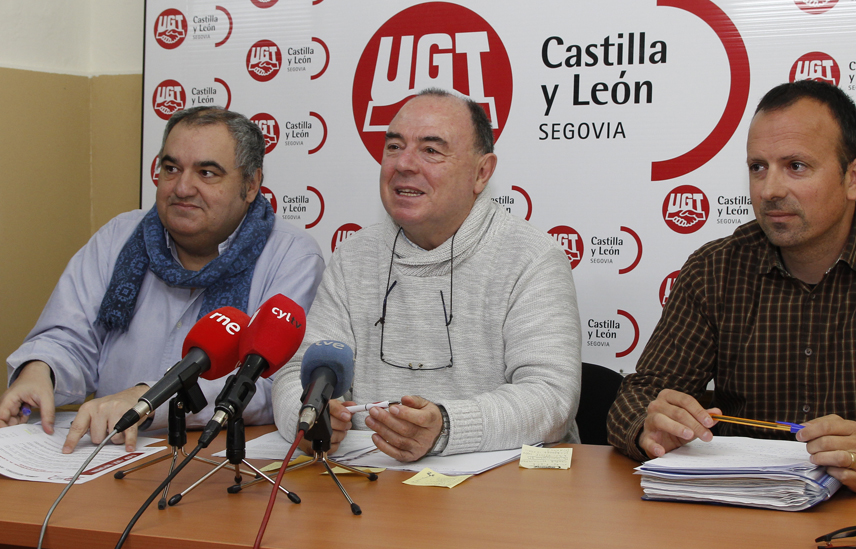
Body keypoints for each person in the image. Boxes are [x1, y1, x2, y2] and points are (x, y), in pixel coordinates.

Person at [607, 80, 856, 493]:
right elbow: (637, 398)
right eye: (757, 167)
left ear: (854, 177)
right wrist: (650, 427)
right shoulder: (714, 269)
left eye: (796, 166)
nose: (769, 190)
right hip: (740, 507)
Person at [272, 89, 581, 462]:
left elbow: (551, 397)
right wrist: (308, 416)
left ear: (482, 172)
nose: (404, 164)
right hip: (370, 478)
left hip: (501, 486)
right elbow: (298, 372)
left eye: (431, 150)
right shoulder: (354, 256)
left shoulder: (531, 257)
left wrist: (446, 426)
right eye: (394, 147)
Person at [1, 106, 325, 453]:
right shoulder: (118, 237)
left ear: (250, 185)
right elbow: (68, 337)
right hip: (108, 450)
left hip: (216, 458)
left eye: (207, 173)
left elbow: (273, 384)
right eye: (171, 169)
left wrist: (148, 400)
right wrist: (40, 370)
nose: (182, 188)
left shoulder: (292, 256)